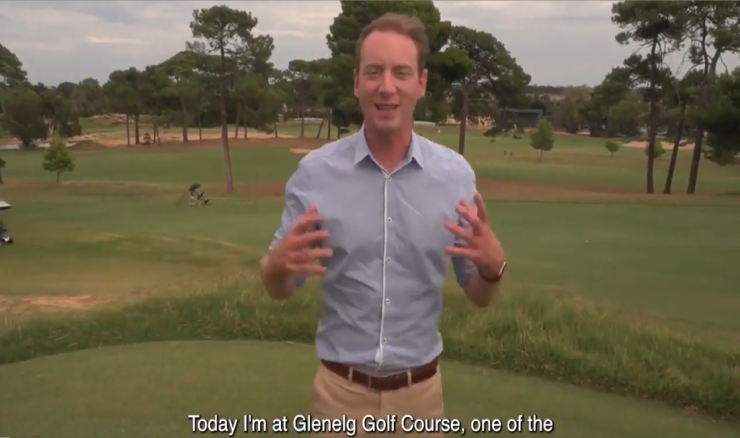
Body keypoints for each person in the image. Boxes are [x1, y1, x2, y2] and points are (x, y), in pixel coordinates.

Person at [259, 13, 506, 438]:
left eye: (401, 73)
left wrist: (493, 267)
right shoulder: (315, 174)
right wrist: (276, 267)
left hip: (421, 402)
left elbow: (479, 295)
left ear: (421, 83)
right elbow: (280, 289)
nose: (386, 86)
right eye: (374, 72)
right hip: (339, 399)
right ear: (357, 82)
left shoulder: (455, 177)